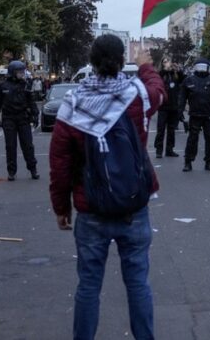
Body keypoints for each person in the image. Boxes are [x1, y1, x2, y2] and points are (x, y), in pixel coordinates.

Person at [49, 36, 165, 340]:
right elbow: (160, 91)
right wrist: (145, 66)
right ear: (119, 61)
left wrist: (61, 207)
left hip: (91, 210)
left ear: (92, 62)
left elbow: (60, 163)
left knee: (88, 286)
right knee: (138, 283)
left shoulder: (73, 102)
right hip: (133, 208)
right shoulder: (138, 96)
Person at [0, 61, 40, 181]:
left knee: (28, 145)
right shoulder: (2, 86)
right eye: (19, 72)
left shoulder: (26, 85)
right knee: (10, 146)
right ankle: (11, 172)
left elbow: (31, 101)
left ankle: (33, 169)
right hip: (9, 119)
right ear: (12, 73)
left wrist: (35, 115)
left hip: (23, 118)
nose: (22, 74)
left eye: (22, 72)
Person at [179, 58, 210, 172]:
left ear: (209, 69)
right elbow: (182, 98)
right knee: (192, 139)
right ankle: (188, 161)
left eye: (204, 67)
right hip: (195, 114)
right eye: (199, 67)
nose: (202, 70)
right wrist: (179, 112)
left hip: (209, 115)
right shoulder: (189, 81)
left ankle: (209, 161)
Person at [154, 59, 183, 159]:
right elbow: (158, 77)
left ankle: (169, 150)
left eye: (169, 61)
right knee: (161, 129)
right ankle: (159, 150)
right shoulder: (161, 74)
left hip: (173, 106)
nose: (168, 63)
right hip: (163, 107)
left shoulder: (174, 74)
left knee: (171, 130)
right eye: (165, 61)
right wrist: (165, 69)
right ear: (162, 64)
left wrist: (178, 69)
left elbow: (183, 79)